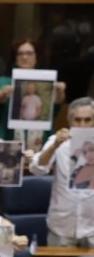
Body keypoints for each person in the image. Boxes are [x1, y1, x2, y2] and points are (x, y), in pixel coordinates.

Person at [29, 97, 94, 247]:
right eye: (77, 120)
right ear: (70, 121)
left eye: (87, 120)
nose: (82, 125)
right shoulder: (57, 141)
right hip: (61, 226)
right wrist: (54, 146)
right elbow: (36, 169)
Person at [0, 39, 66, 144]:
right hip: (11, 134)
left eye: (29, 53)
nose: (24, 57)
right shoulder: (5, 81)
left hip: (41, 135)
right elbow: (0, 98)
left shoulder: (46, 81)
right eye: (20, 54)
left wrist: (60, 91)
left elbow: (55, 106)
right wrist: (3, 93)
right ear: (15, 58)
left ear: (36, 57)